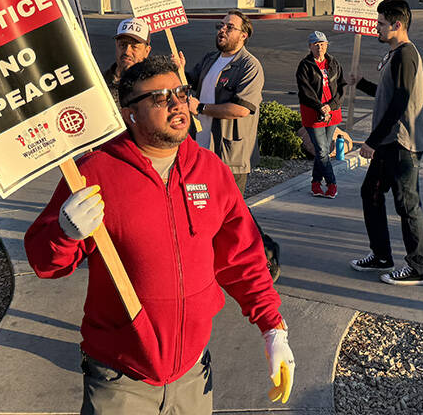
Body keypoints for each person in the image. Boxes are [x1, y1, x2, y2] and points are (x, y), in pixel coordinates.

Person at [25, 56, 295, 413]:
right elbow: (46, 263)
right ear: (129, 113)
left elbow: (242, 258)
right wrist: (63, 233)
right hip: (120, 380)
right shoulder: (95, 173)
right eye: (158, 97)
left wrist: (272, 327)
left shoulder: (210, 169)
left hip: (194, 374)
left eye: (180, 92)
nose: (176, 103)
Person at [184, 10, 282, 280]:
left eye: (230, 27)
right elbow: (189, 81)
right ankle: (209, 262)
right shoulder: (210, 59)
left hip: (230, 153)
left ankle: (266, 253)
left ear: (244, 34)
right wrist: (178, 68)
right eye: (221, 25)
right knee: (206, 210)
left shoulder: (249, 66)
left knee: (234, 211)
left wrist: (201, 107)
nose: (222, 30)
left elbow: (241, 109)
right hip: (201, 148)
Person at [348, 0, 423, 285]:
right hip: (389, 143)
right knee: (370, 193)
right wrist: (362, 84)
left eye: (381, 23)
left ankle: (418, 268)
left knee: (407, 206)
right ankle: (381, 255)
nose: (377, 28)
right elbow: (386, 94)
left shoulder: (406, 55)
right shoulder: (395, 54)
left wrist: (371, 140)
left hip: (401, 145)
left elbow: (400, 101)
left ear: (397, 25)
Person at [295, 30, 347, 199]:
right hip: (313, 114)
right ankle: (332, 184)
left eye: (322, 44)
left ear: (327, 45)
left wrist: (330, 106)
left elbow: (342, 86)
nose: (320, 47)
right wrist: (320, 107)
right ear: (310, 46)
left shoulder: (333, 63)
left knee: (321, 151)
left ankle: (315, 184)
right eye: (316, 44)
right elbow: (305, 91)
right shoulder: (305, 65)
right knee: (323, 150)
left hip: (332, 113)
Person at [101, 18, 151, 105]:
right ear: (116, 45)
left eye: (134, 47)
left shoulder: (154, 84)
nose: (127, 52)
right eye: (123, 45)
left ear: (147, 51)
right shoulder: (100, 82)